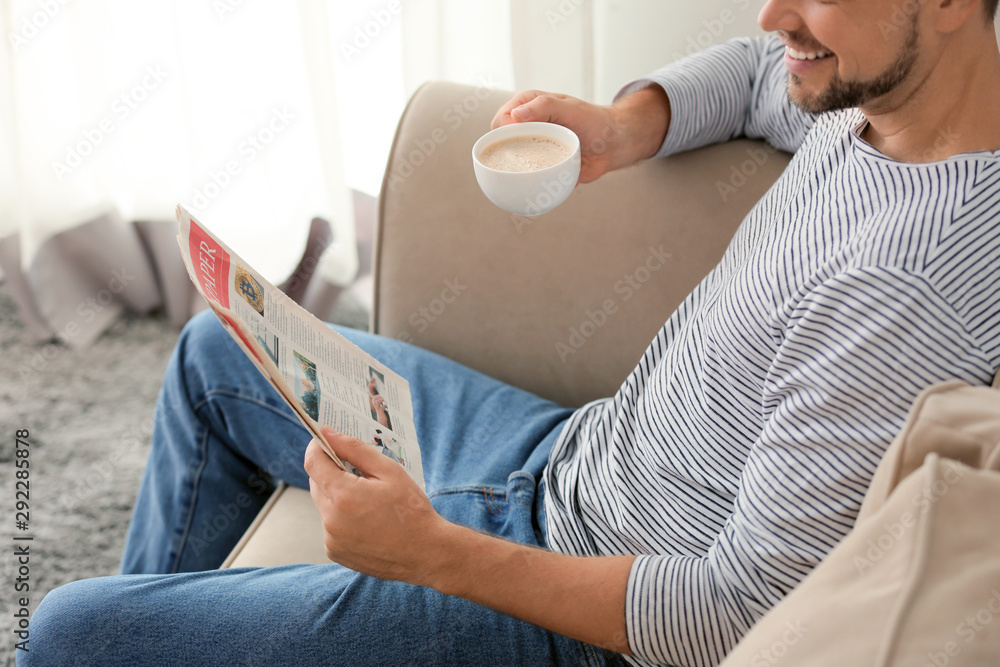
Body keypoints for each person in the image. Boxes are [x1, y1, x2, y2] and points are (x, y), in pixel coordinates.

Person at [22, 0, 1000, 665]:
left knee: (64, 631)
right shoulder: (868, 92)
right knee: (216, 354)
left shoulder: (906, 286)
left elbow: (730, 612)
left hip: (575, 610)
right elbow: (754, 73)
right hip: (571, 454)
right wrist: (623, 125)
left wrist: (431, 551)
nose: (771, 14)